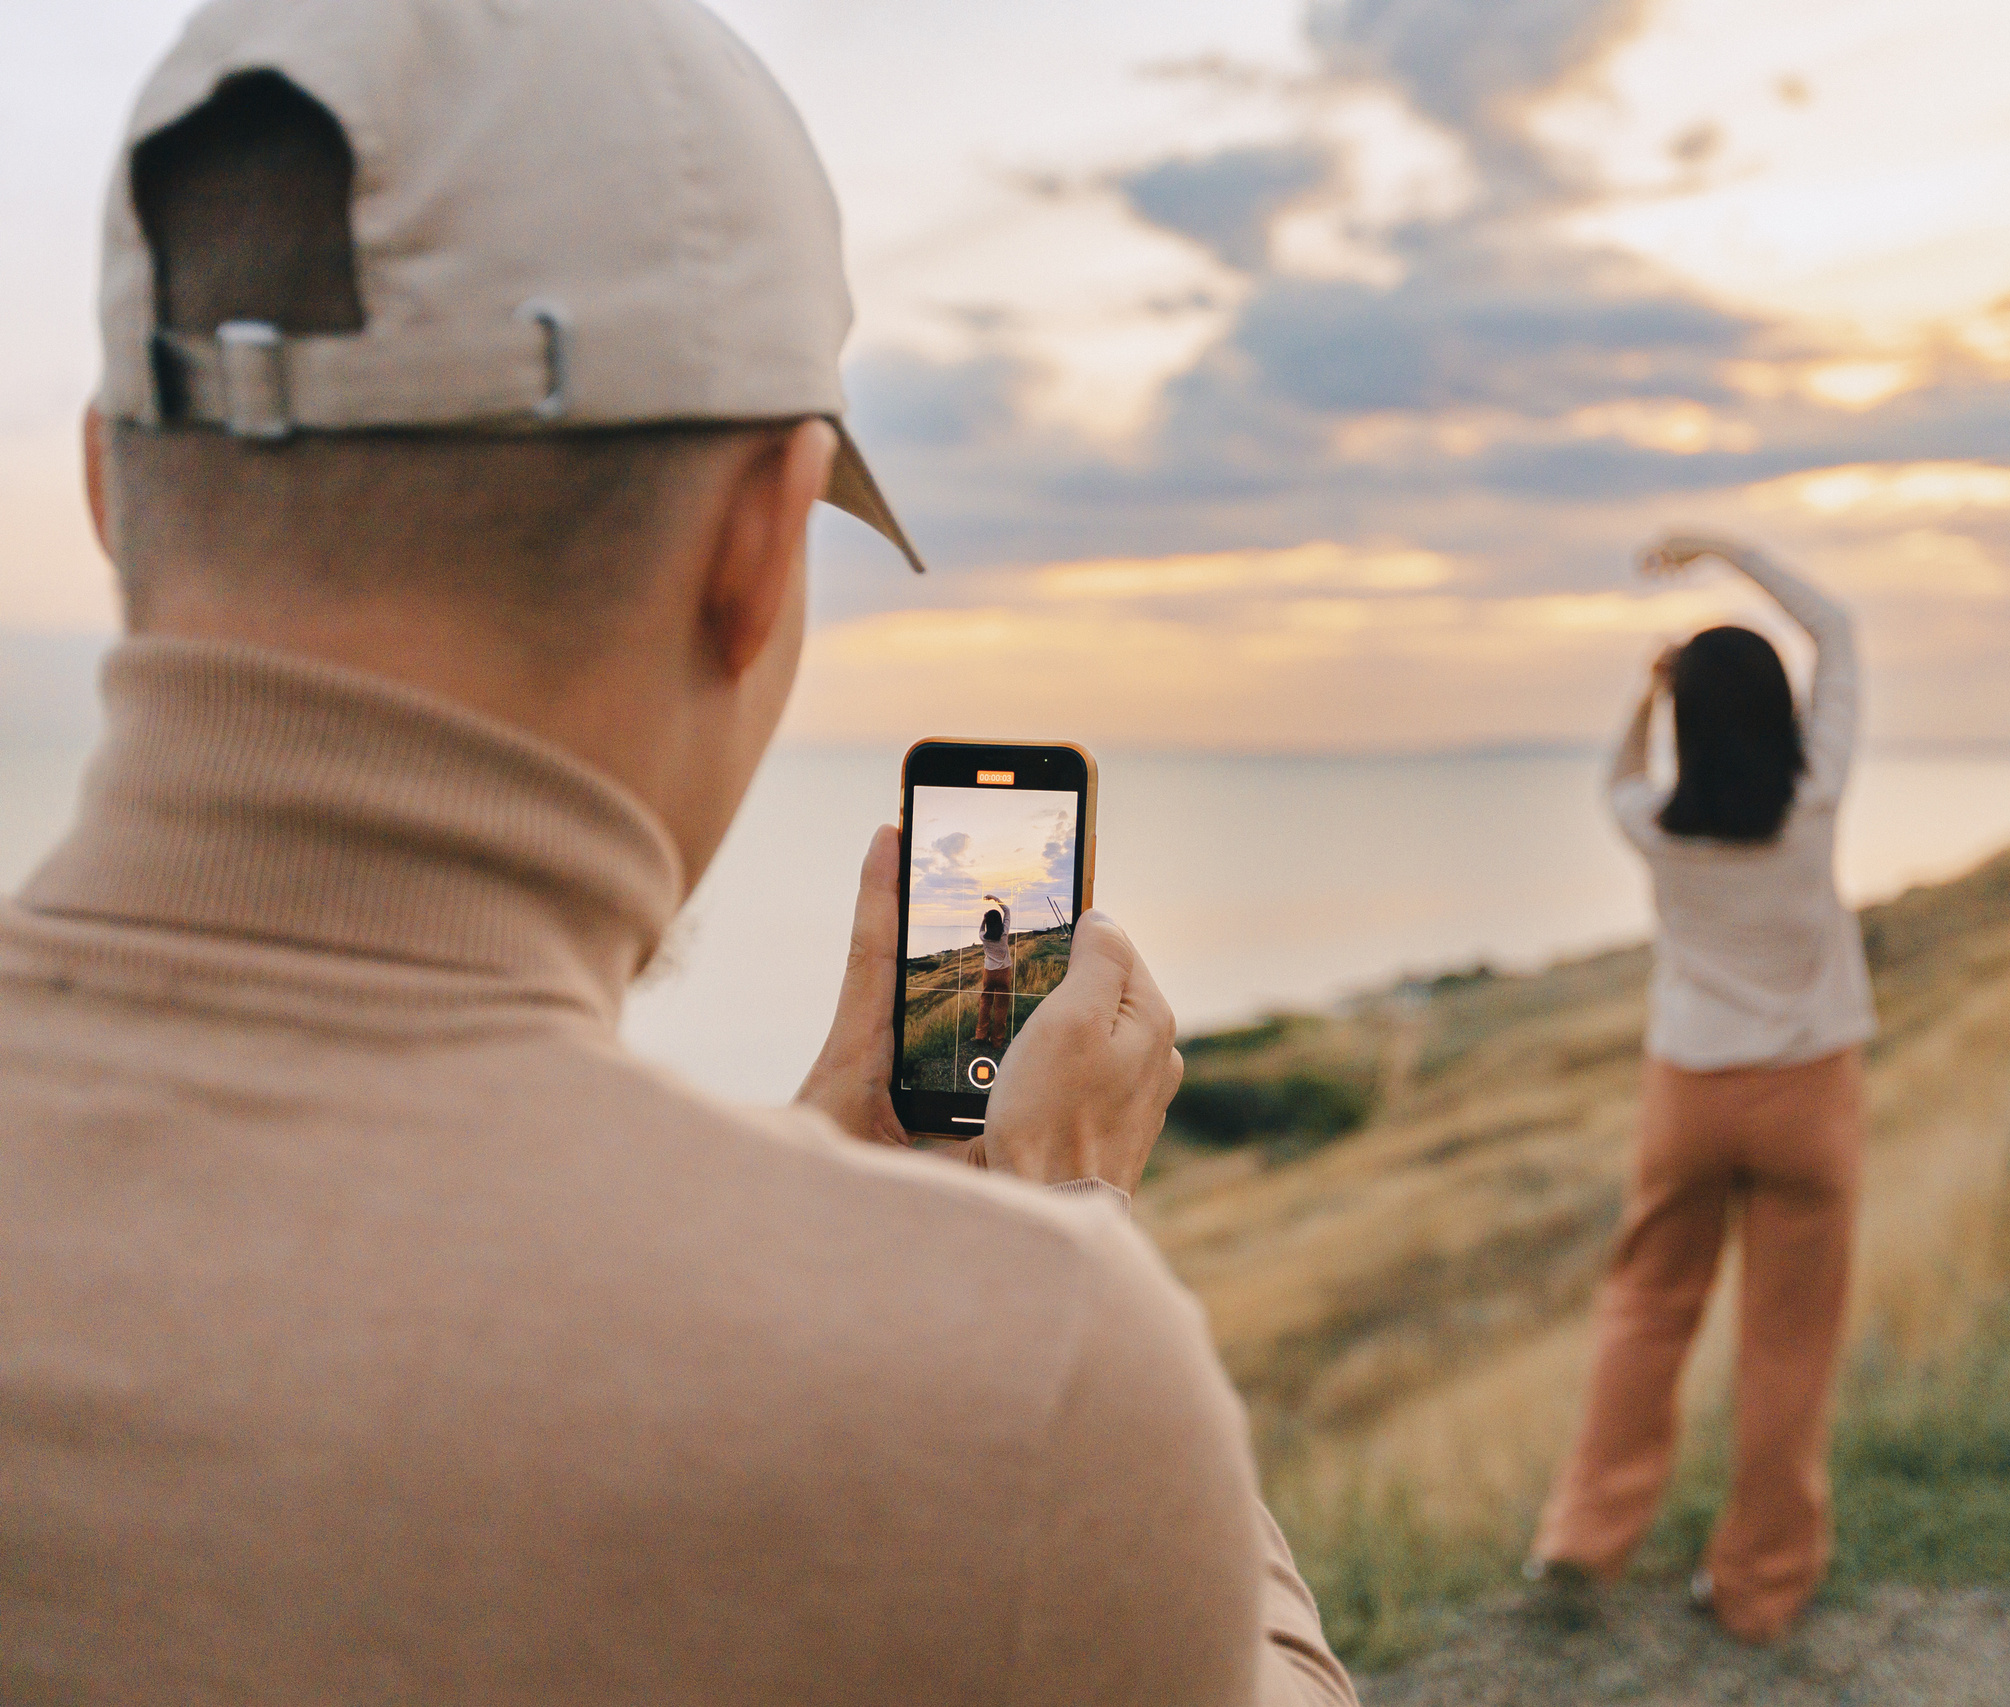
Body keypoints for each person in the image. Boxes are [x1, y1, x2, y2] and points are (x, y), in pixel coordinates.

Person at [0, 4, 1355, 1704]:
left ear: (109, 493)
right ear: (756, 550)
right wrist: (1068, 1221)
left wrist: (793, 1178)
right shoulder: (1028, 1379)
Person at [1523, 534, 1874, 1645]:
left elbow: (1619, 776)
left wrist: (1649, 692)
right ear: (1779, 713)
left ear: (1688, 722)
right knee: (1787, 1341)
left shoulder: (1656, 829)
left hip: (1689, 1094)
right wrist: (1723, 549)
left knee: (1646, 1310)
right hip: (1807, 1093)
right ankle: (1759, 1584)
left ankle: (1583, 1540)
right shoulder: (1813, 802)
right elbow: (1837, 629)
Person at [975, 893, 1015, 1044]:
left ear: (987, 923)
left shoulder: (983, 937)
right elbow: (1007, 911)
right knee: (1001, 1007)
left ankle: (980, 1035)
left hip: (989, 973)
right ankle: (997, 1040)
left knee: (985, 1003)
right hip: (1004, 972)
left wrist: (984, 920)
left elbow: (981, 930)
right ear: (999, 921)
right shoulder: (1004, 934)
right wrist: (995, 898)